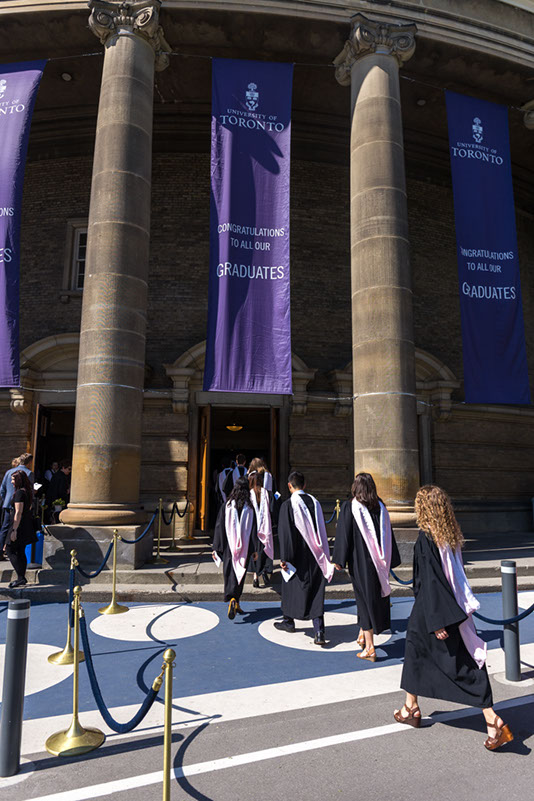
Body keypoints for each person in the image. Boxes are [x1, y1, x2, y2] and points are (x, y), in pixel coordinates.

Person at [394, 485, 513, 751]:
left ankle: (492, 719)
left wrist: (438, 622)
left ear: (423, 509)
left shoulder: (426, 538)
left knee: (460, 665)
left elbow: (432, 582)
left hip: (434, 611)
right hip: (447, 608)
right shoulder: (448, 535)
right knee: (417, 653)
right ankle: (410, 706)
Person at [333, 472, 401, 661]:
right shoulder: (380, 507)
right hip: (380, 563)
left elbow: (344, 535)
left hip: (360, 562)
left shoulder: (350, 507)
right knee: (374, 598)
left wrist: (339, 559)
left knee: (364, 601)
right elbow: (388, 535)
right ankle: (363, 633)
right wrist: (390, 561)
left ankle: (370, 647)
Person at [275, 471, 334, 646]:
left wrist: (285, 558)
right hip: (316, 554)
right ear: (305, 485)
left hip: (297, 554)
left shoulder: (288, 505)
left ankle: (288, 621)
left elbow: (285, 534)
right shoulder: (315, 503)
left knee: (290, 588)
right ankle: (319, 631)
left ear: (289, 486)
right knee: (316, 591)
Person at [212, 476, 261, 620]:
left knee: (230, 573)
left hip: (229, 546)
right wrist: (254, 549)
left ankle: (232, 600)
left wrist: (217, 547)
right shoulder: (250, 508)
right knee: (240, 574)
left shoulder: (227, 506)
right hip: (244, 547)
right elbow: (253, 530)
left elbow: (220, 527)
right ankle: (236, 600)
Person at [4, 470, 38, 588]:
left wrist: (14, 530)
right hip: (25, 525)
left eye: (13, 479)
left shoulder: (19, 493)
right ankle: (21, 577)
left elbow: (18, 512)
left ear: (19, 480)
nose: (12, 482)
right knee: (20, 550)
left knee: (10, 549)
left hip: (18, 525)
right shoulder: (27, 492)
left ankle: (20, 577)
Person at [0, 453, 34, 556]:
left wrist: (6, 500)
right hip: (20, 505)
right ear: (30, 462)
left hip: (7, 504)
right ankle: (14, 550)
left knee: (4, 528)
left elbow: (2, 490)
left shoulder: (9, 472)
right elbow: (30, 491)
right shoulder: (28, 473)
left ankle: (1, 551)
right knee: (17, 527)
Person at [248, 469, 274, 588]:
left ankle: (255, 577)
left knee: (255, 551)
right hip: (266, 527)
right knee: (264, 550)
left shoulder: (249, 494)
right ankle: (264, 573)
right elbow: (273, 510)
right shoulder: (267, 493)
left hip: (253, 528)